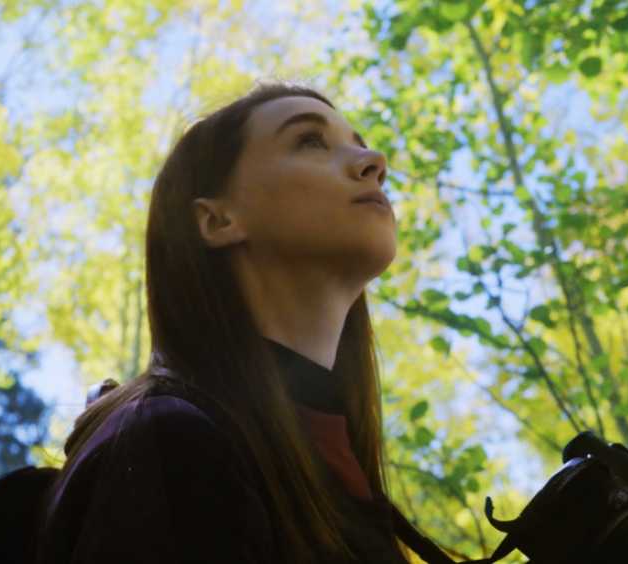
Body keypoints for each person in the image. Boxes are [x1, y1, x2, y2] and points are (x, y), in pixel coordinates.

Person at [34, 80, 443, 564]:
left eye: (358, 143)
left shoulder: (332, 460)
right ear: (217, 221)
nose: (375, 161)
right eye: (310, 141)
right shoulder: (170, 443)